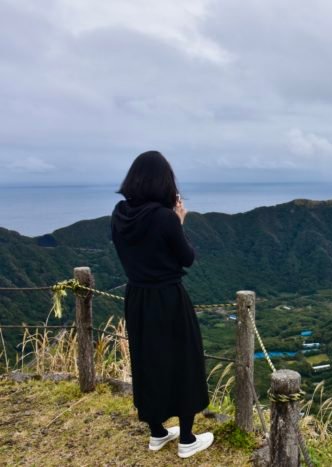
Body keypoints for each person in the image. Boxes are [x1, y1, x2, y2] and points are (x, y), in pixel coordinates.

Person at [110, 150, 214, 459]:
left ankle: (156, 432)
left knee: (147, 360)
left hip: (137, 297)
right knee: (183, 361)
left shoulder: (119, 213)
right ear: (164, 182)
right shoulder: (165, 217)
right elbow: (187, 258)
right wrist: (178, 221)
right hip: (168, 298)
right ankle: (186, 439)